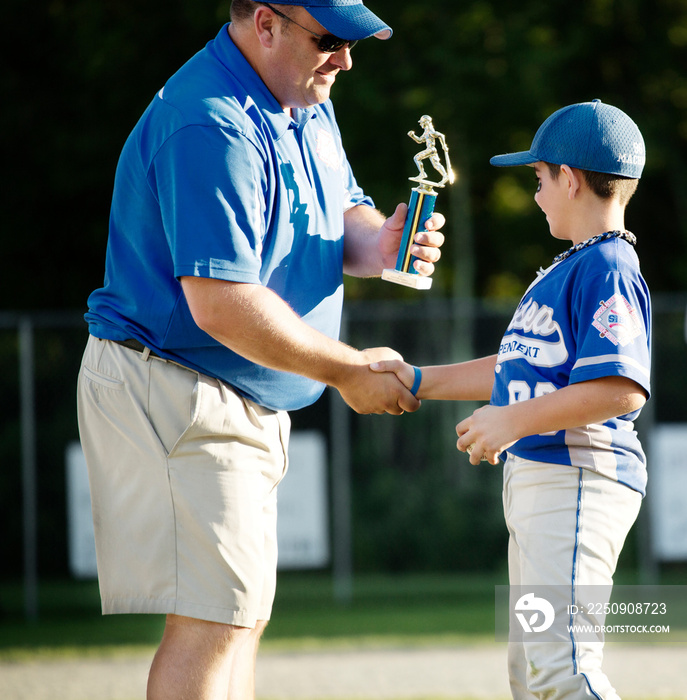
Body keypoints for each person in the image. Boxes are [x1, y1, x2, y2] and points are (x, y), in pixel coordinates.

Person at [76, 2, 445, 698]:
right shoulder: (210, 122)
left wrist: (381, 243)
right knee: (216, 622)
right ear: (266, 23)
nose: (345, 60)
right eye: (330, 40)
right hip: (179, 384)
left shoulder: (301, 98)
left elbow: (342, 217)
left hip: (229, 392)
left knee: (238, 618)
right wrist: (347, 371)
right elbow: (220, 304)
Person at [372, 99, 651, 700]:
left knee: (564, 672)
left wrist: (510, 422)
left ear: (570, 178)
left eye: (539, 177)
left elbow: (619, 387)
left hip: (575, 481)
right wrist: (415, 379)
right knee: (531, 679)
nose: (536, 193)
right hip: (542, 483)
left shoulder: (608, 264)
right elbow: (515, 369)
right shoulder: (569, 268)